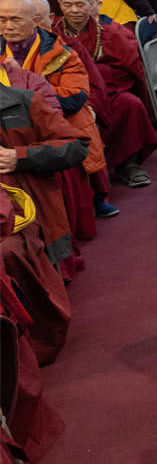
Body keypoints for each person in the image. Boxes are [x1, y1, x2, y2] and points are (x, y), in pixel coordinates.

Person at [0, 61, 90, 362]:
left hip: (21, 208)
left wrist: (20, 157)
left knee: (8, 252)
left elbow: (77, 145)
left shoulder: (22, 98)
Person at [0, 0, 110, 220]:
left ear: (35, 21)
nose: (8, 26)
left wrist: (24, 81)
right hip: (10, 129)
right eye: (2, 20)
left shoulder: (63, 53)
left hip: (57, 125)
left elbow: (75, 97)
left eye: (15, 19)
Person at [53, 0, 157, 187]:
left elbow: (132, 69)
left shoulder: (112, 32)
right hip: (69, 94)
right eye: (67, 5)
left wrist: (99, 76)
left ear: (91, 4)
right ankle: (81, 177)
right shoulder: (52, 33)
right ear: (59, 5)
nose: (74, 10)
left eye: (79, 4)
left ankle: (129, 165)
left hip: (108, 92)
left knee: (130, 104)